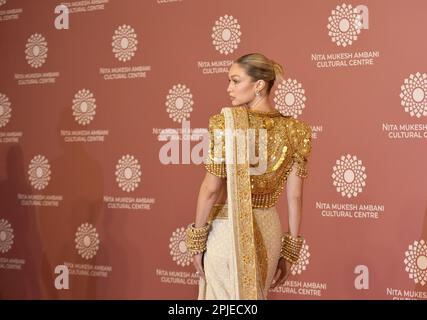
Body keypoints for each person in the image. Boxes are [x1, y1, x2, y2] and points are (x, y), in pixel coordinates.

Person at [186, 53, 312, 300]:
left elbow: (211, 189)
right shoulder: (297, 131)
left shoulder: (225, 124)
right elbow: (295, 196)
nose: (228, 88)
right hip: (269, 232)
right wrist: (290, 251)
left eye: (235, 81)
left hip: (227, 231)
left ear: (259, 85)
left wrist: (196, 241)